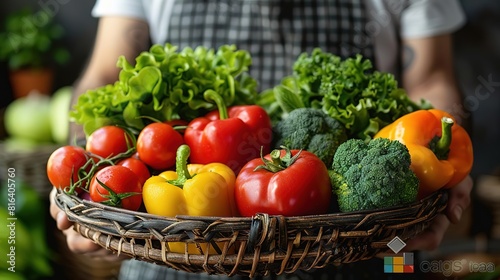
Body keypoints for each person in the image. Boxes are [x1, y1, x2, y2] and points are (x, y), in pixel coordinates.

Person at [49, 0, 473, 279]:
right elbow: (104, 77)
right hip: (168, 251)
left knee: (403, 257)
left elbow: (432, 78)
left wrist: (448, 160)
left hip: (371, 248)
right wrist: (87, 180)